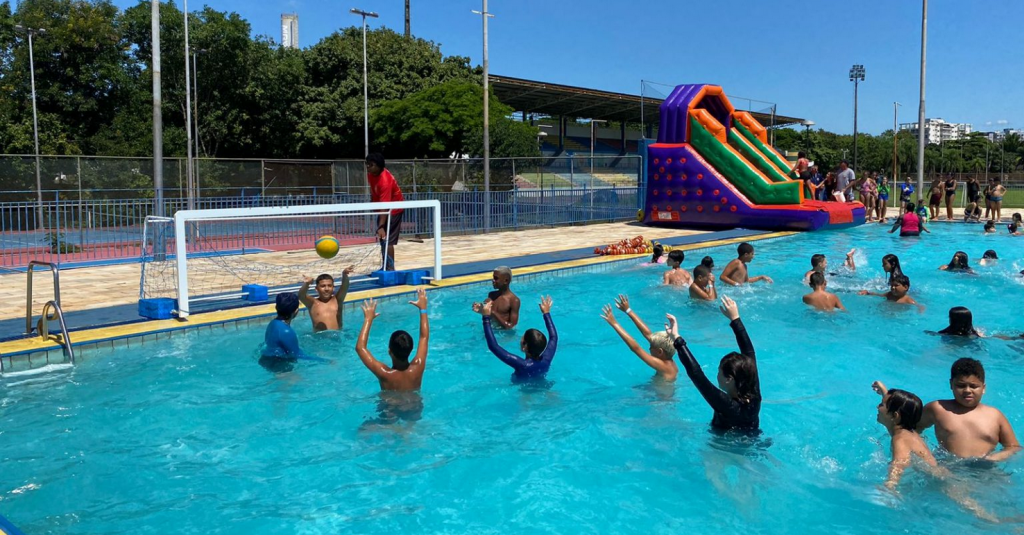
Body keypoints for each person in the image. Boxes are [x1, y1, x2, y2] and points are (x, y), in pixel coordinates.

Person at [669, 296, 760, 431]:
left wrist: (677, 340)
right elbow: (749, 352)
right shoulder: (755, 395)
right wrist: (735, 318)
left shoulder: (727, 405)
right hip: (752, 438)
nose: (717, 375)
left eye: (719, 371)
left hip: (724, 448)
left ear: (729, 379)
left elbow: (697, 375)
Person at [918, 358, 1020, 460]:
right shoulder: (938, 408)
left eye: (974, 386)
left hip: (986, 470)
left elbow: (1014, 447)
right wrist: (925, 455)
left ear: (983, 388)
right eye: (961, 385)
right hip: (948, 468)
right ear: (951, 384)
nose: (967, 390)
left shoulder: (995, 416)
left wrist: (995, 458)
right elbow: (912, 430)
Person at [354, 288, 430, 392]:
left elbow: (360, 348)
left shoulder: (384, 373)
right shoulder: (418, 366)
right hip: (415, 407)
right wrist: (423, 309)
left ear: (390, 351)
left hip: (390, 408)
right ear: (411, 349)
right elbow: (424, 337)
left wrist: (368, 319)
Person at [476, 296, 557, 382]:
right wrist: (547, 313)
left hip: (525, 393)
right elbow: (554, 337)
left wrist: (486, 318)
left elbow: (493, 346)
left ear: (524, 346)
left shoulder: (522, 365)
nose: (520, 339)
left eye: (522, 338)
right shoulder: (546, 360)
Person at [599, 295, 677, 381]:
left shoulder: (663, 366)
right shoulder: (668, 359)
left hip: (660, 394)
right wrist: (628, 310)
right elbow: (648, 334)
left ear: (660, 351)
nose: (649, 348)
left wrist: (614, 323)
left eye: (651, 346)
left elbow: (636, 348)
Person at [261, 293, 328, 373]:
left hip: (266, 359)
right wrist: (325, 361)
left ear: (276, 308)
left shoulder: (273, 323)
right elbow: (298, 355)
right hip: (280, 365)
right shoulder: (286, 332)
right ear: (296, 311)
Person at [365, 152, 405, 271]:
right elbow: (375, 192)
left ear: (378, 165)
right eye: (367, 164)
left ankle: (390, 269)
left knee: (388, 240)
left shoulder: (385, 180)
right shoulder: (371, 175)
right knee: (383, 239)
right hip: (384, 208)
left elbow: (386, 205)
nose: (368, 167)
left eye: (370, 165)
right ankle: (385, 267)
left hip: (394, 209)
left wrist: (381, 225)